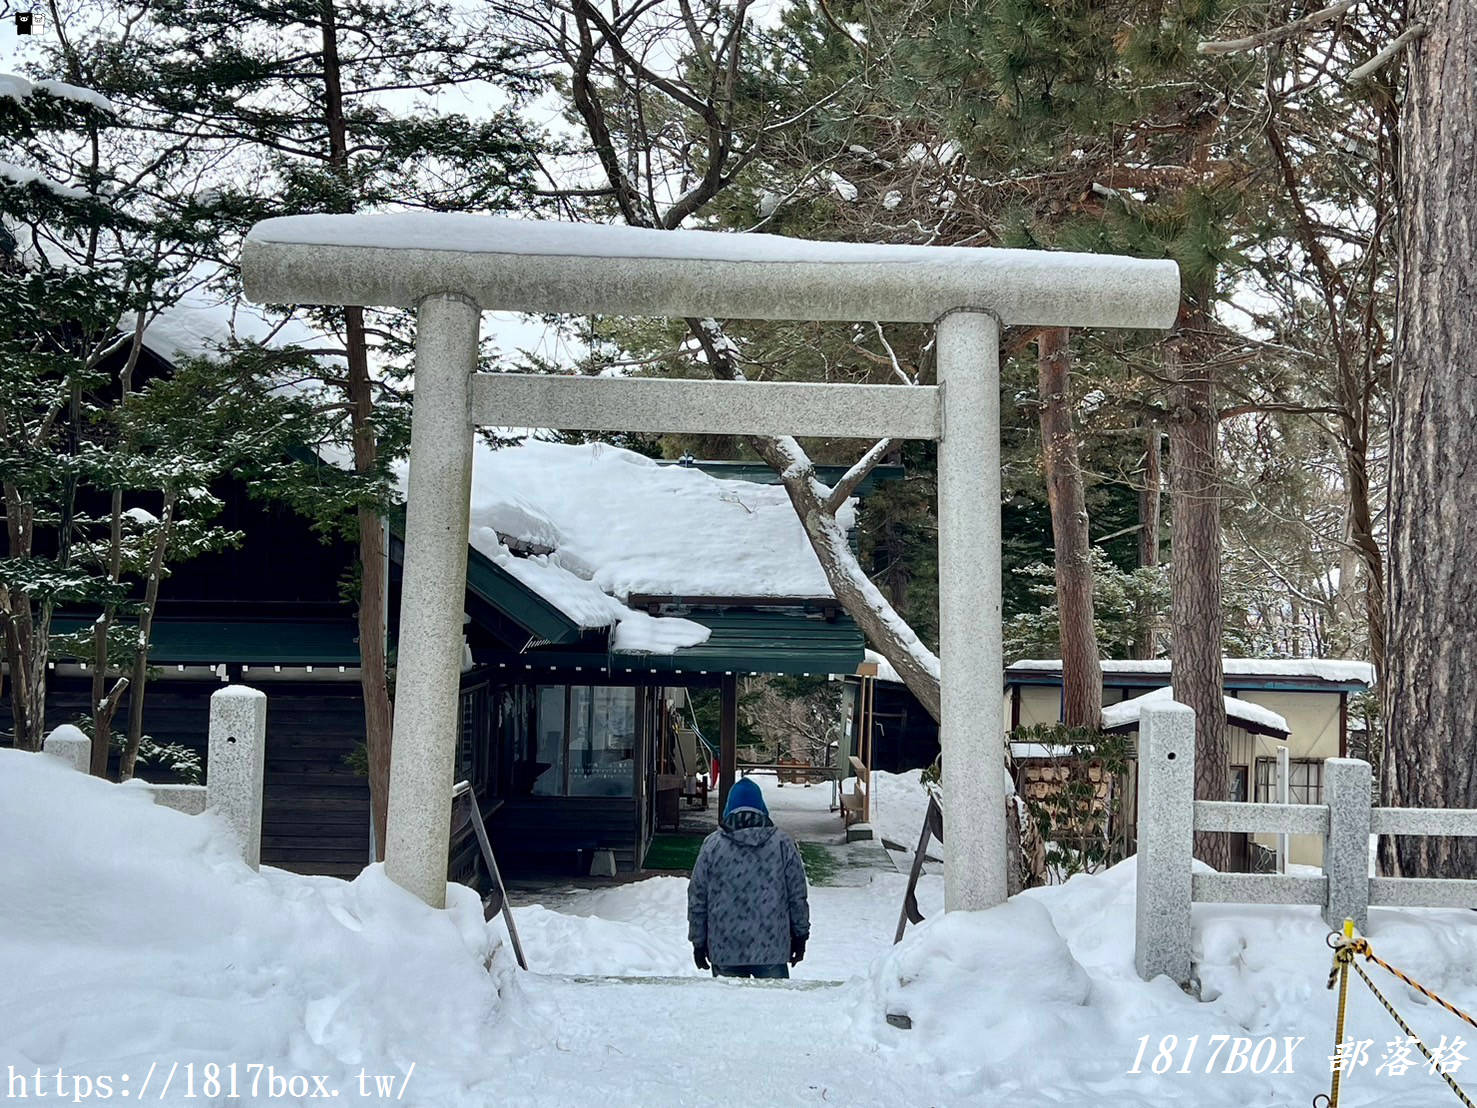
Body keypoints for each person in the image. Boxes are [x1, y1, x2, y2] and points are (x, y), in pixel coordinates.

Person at [687, 776, 810, 979]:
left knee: (731, 1009)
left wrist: (698, 942)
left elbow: (697, 897)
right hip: (772, 949)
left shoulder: (713, 845)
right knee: (773, 1009)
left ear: (729, 807)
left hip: (725, 949)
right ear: (761, 806)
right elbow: (797, 894)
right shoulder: (782, 843)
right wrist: (800, 935)